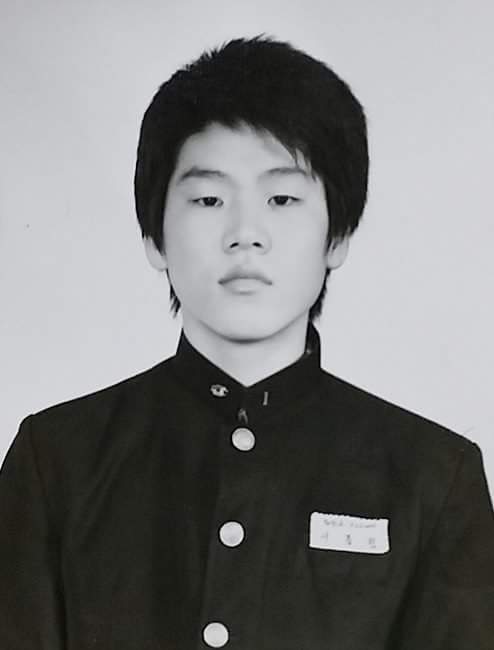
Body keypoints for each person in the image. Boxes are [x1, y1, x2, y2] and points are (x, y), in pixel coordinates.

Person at [1, 36, 493, 650]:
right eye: (209, 199)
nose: (245, 234)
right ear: (155, 237)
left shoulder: (433, 479)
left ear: (338, 235)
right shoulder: (55, 462)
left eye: (282, 198)